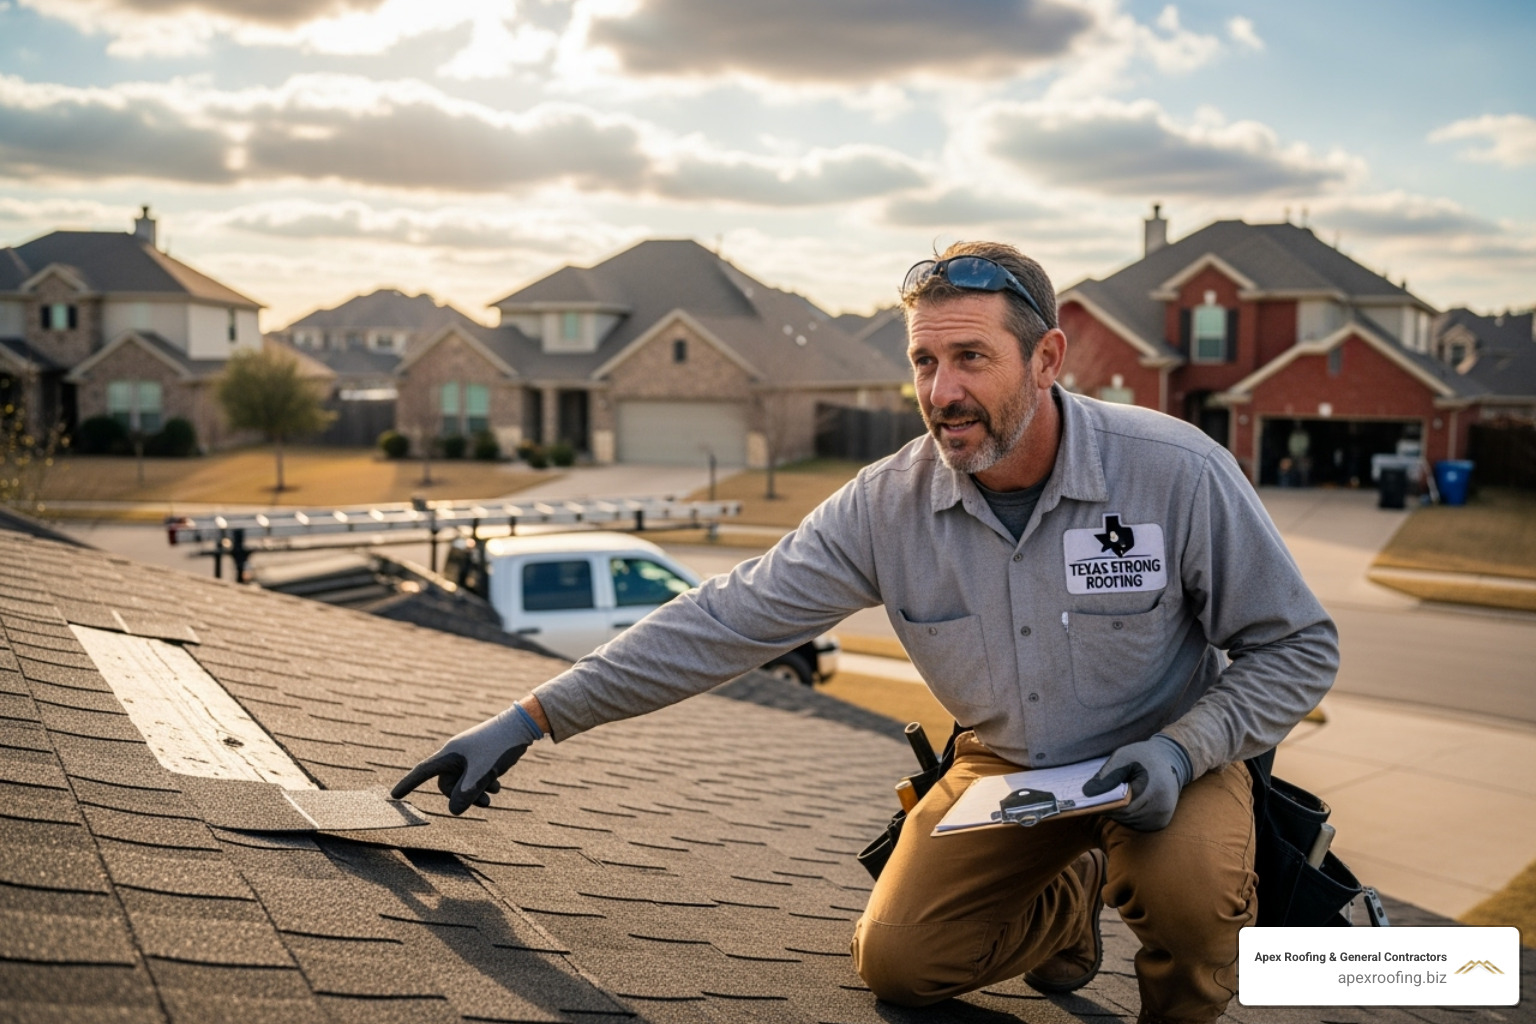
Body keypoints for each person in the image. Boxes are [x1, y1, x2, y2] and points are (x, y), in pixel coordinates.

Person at [393, 241, 1339, 1024]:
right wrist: (529, 718)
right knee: (898, 963)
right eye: (925, 362)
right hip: (1007, 770)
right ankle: (1067, 902)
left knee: (1195, 910)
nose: (941, 390)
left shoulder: (1174, 473)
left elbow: (1299, 646)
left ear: (1047, 360)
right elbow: (724, 619)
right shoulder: (888, 505)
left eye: (971, 358)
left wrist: (1186, 748)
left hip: (1170, 761)